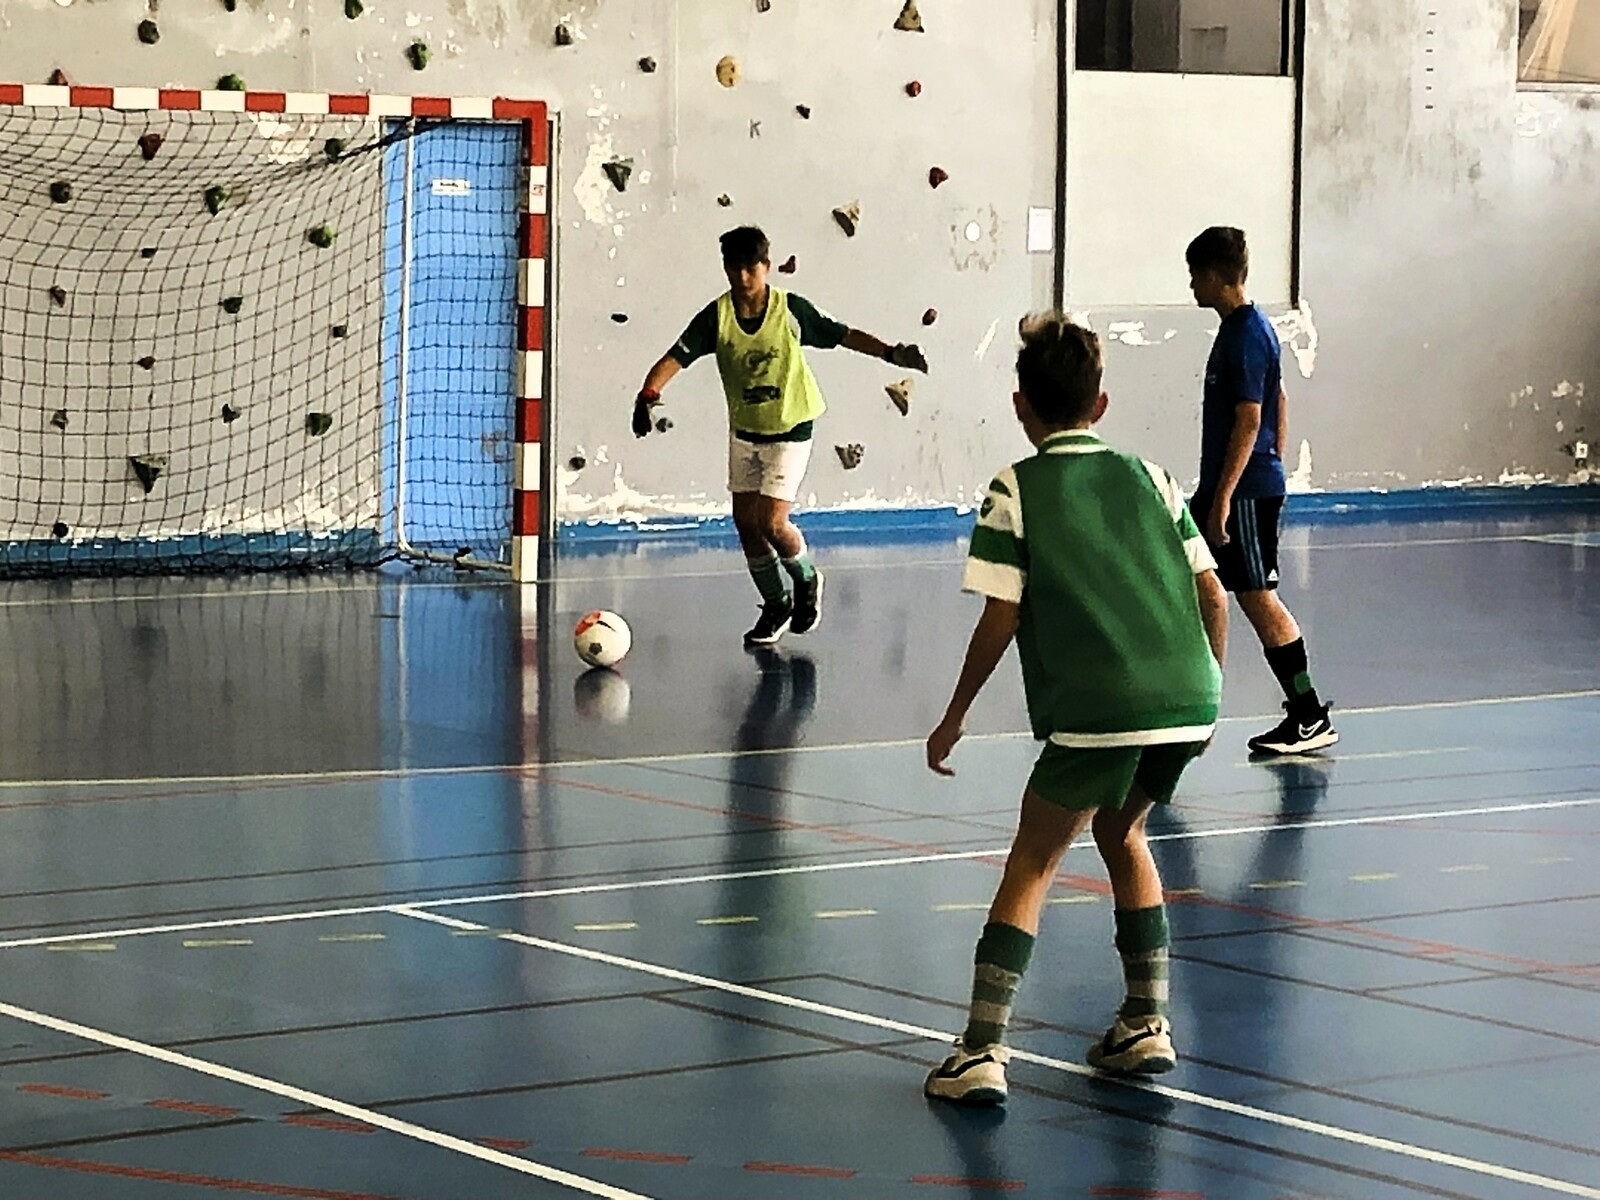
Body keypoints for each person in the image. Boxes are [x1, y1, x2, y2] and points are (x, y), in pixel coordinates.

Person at [923, 314, 1228, 1105]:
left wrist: (954, 715)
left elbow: (1000, 617)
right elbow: (1213, 595)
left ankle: (980, 1051)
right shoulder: (1153, 477)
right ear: (1101, 403)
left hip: (1099, 708)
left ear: (1020, 405)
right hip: (1192, 697)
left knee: (1033, 858)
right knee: (1123, 831)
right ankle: (1145, 1021)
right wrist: (1208, 695)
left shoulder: (1015, 489)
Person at [633, 226, 928, 647]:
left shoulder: (790, 310)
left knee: (771, 522)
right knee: (745, 524)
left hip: (791, 428)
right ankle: (776, 604)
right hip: (746, 430)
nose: (742, 277)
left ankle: (807, 578)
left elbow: (841, 333)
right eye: (733, 268)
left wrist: (889, 352)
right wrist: (648, 393)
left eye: (750, 268)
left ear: (766, 267)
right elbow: (675, 357)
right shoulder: (716, 317)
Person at [1185, 226, 1337, 756]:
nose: (1191, 286)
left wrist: (1229, 496)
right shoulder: (1240, 331)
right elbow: (1280, 399)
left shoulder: (1248, 334)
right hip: (1234, 485)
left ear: (1214, 277)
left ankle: (1308, 713)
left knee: (1257, 597)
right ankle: (1183, 703)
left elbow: (1252, 418)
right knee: (1187, 578)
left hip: (1243, 493)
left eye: (1195, 276)